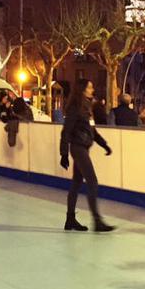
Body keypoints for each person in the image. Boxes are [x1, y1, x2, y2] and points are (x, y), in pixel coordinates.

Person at [59, 79, 114, 232]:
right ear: (82, 89)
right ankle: (97, 221)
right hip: (78, 148)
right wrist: (63, 153)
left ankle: (70, 219)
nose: (92, 89)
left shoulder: (87, 106)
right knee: (92, 182)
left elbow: (92, 131)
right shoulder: (76, 107)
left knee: (76, 183)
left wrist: (104, 144)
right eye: (90, 87)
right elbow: (66, 131)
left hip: (83, 147)